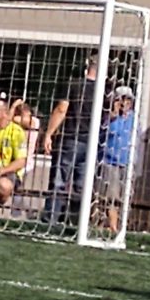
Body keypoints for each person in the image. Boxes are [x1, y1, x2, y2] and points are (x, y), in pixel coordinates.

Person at [42, 54, 105, 223]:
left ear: (87, 66)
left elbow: (62, 109)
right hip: (92, 142)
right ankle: (77, 223)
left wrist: (48, 133)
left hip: (71, 138)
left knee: (59, 181)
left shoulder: (75, 85)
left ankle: (50, 220)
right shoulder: (105, 91)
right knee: (81, 186)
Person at [97, 86, 136, 233]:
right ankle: (112, 225)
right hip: (110, 161)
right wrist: (114, 115)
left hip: (127, 162)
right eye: (121, 99)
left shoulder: (133, 118)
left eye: (127, 100)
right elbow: (110, 132)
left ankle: (120, 225)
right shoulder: (109, 118)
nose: (124, 103)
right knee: (110, 195)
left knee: (125, 196)